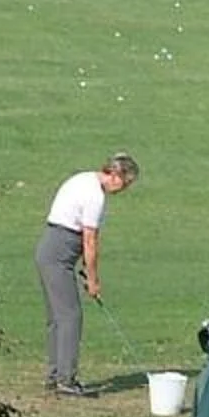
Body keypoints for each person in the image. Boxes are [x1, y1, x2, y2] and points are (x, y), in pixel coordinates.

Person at [33, 154, 137, 397]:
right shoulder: (96, 197)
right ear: (114, 174)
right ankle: (66, 380)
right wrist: (93, 280)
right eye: (124, 183)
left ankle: (55, 375)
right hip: (58, 253)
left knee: (58, 317)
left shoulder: (83, 178)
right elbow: (89, 241)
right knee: (70, 317)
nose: (122, 189)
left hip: (49, 248)